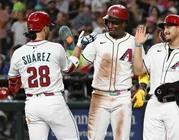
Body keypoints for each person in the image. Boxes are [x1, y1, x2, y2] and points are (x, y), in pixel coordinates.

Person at [8, 11, 96, 140]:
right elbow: (70, 68)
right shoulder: (55, 47)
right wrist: (79, 46)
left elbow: (13, 87)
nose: (49, 29)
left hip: (32, 104)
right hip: (53, 101)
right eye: (48, 26)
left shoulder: (18, 53)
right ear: (44, 28)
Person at [71, 4, 149, 140]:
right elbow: (78, 65)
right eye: (109, 21)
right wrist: (77, 48)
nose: (111, 25)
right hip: (99, 96)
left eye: (115, 22)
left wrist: (142, 89)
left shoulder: (134, 42)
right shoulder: (98, 40)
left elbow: (142, 71)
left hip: (122, 97)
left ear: (124, 23)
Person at [133, 14, 179, 140]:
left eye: (169, 27)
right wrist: (138, 46)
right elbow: (138, 70)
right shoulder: (155, 49)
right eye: (164, 27)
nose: (165, 30)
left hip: (177, 103)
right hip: (154, 102)